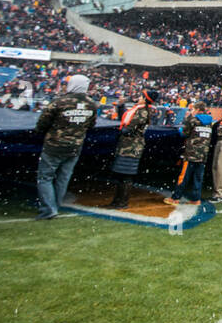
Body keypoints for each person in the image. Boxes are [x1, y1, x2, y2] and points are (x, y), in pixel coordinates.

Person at [34, 74, 97, 220]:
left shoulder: (59, 102)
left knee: (45, 177)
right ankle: (55, 206)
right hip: (75, 146)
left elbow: (42, 123)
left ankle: (49, 209)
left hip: (54, 145)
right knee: (63, 178)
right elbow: (91, 125)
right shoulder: (91, 104)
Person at [108, 89, 157, 209]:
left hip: (131, 146)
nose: (139, 98)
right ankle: (117, 201)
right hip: (128, 145)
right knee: (121, 175)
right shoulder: (140, 110)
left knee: (126, 175)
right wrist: (120, 106)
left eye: (141, 96)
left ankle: (122, 202)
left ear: (145, 99)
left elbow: (129, 128)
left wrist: (123, 130)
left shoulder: (143, 112)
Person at [168, 102, 213, 205]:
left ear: (197, 109)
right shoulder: (209, 121)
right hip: (203, 154)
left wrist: (183, 124)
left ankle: (176, 198)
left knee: (183, 177)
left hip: (191, 153)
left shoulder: (192, 120)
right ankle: (196, 199)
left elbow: (184, 133)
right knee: (198, 178)